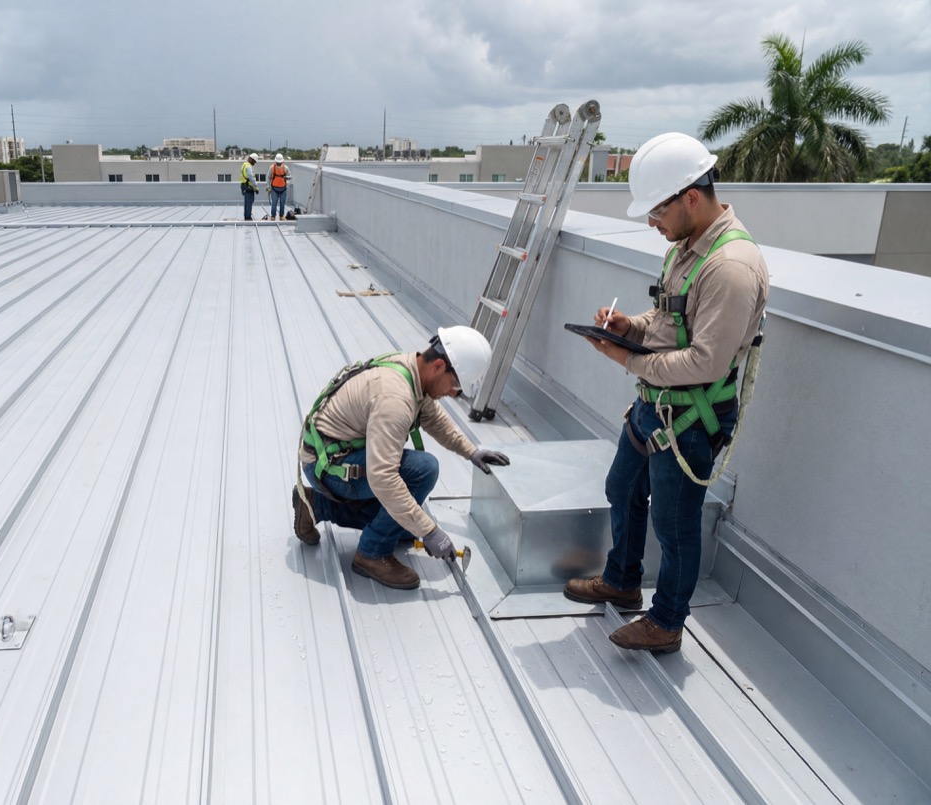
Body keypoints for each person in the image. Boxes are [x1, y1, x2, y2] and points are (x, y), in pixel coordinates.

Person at [563, 132, 770, 653]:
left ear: (691, 197)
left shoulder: (731, 268)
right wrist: (629, 326)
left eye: (657, 212)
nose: (653, 223)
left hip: (690, 420)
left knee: (674, 526)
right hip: (656, 405)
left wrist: (627, 358)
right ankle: (623, 579)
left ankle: (667, 623)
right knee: (622, 489)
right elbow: (669, 319)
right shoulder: (687, 248)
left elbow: (707, 361)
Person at [292, 326, 511, 589]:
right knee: (423, 470)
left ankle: (317, 506)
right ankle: (371, 554)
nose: (454, 394)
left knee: (404, 523)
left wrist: (471, 451)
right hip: (327, 467)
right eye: (455, 385)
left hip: (333, 454)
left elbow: (433, 417)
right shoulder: (395, 398)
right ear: (439, 366)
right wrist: (429, 531)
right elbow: (383, 478)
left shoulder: (411, 368)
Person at [267, 153, 292, 220]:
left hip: (283, 188)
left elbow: (290, 176)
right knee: (274, 203)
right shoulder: (272, 167)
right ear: (275, 161)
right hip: (274, 188)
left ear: (282, 162)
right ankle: (273, 215)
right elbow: (268, 177)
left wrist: (286, 177)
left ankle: (281, 215)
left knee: (282, 203)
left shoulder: (285, 168)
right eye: (277, 162)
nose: (278, 164)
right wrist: (268, 186)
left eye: (280, 162)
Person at [240, 152, 260, 221]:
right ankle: (248, 217)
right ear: (251, 159)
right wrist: (256, 187)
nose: (254, 163)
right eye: (254, 161)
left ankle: (246, 216)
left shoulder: (244, 165)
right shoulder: (249, 166)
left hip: (244, 185)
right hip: (248, 186)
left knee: (247, 202)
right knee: (249, 201)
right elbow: (251, 177)